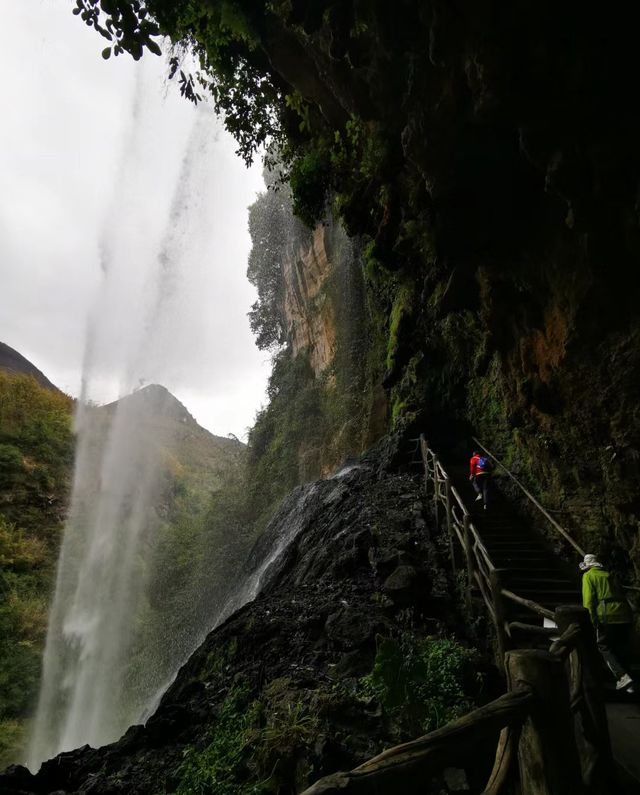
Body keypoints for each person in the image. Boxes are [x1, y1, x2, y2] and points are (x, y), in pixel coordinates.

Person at [580, 553, 635, 692]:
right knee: (620, 647)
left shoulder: (588, 576)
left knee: (603, 646)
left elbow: (588, 601)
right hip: (623, 614)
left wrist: (592, 620)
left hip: (606, 616)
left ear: (587, 566)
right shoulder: (609, 575)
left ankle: (622, 676)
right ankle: (630, 683)